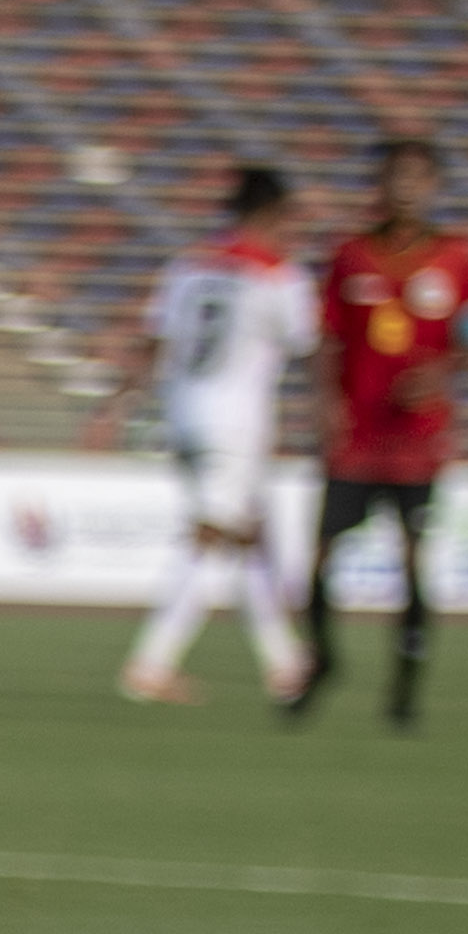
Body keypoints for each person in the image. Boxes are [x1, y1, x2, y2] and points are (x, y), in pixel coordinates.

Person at [121, 163, 322, 707]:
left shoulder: (188, 267)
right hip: (235, 422)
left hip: (183, 412)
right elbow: (311, 348)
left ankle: (285, 662)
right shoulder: (281, 276)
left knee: (247, 535)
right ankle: (151, 664)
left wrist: (121, 399)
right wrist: (328, 411)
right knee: (212, 537)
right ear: (272, 214)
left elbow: (155, 339)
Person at [300, 134, 468, 729]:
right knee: (322, 555)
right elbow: (328, 337)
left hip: (417, 439)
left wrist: (439, 373)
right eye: (395, 176)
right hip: (357, 433)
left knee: (412, 559)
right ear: (379, 185)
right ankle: (323, 657)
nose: (405, 187)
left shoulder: (457, 258)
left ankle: (405, 690)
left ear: (434, 187)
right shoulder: (351, 255)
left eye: (417, 177)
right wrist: (326, 402)